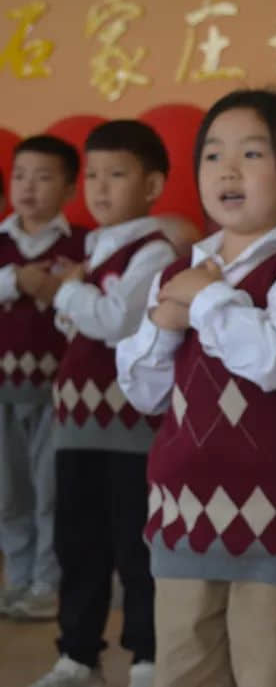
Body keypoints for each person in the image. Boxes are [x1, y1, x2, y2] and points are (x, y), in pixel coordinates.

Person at [116, 89, 276, 687]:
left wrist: (207, 298)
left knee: (272, 670)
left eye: (251, 153)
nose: (228, 169)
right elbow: (141, 390)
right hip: (182, 507)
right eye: (213, 155)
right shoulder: (180, 273)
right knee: (183, 670)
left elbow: (275, 359)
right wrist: (168, 319)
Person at [33, 120, 177, 687]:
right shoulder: (93, 249)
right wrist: (79, 299)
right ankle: (77, 654)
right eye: (92, 175)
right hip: (76, 422)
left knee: (135, 546)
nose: (99, 187)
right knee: (78, 544)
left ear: (151, 184)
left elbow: (114, 321)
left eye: (116, 174)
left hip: (129, 425)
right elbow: (84, 319)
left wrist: (67, 291)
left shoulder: (154, 249)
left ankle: (146, 655)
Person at [0, 136, 86, 621]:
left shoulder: (80, 244)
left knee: (50, 491)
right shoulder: (2, 243)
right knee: (8, 492)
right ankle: (15, 578)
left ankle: (46, 584)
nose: (29, 187)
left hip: (58, 393)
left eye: (44, 176)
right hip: (2, 392)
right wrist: (16, 281)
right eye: (20, 176)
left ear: (71, 188)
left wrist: (59, 286)